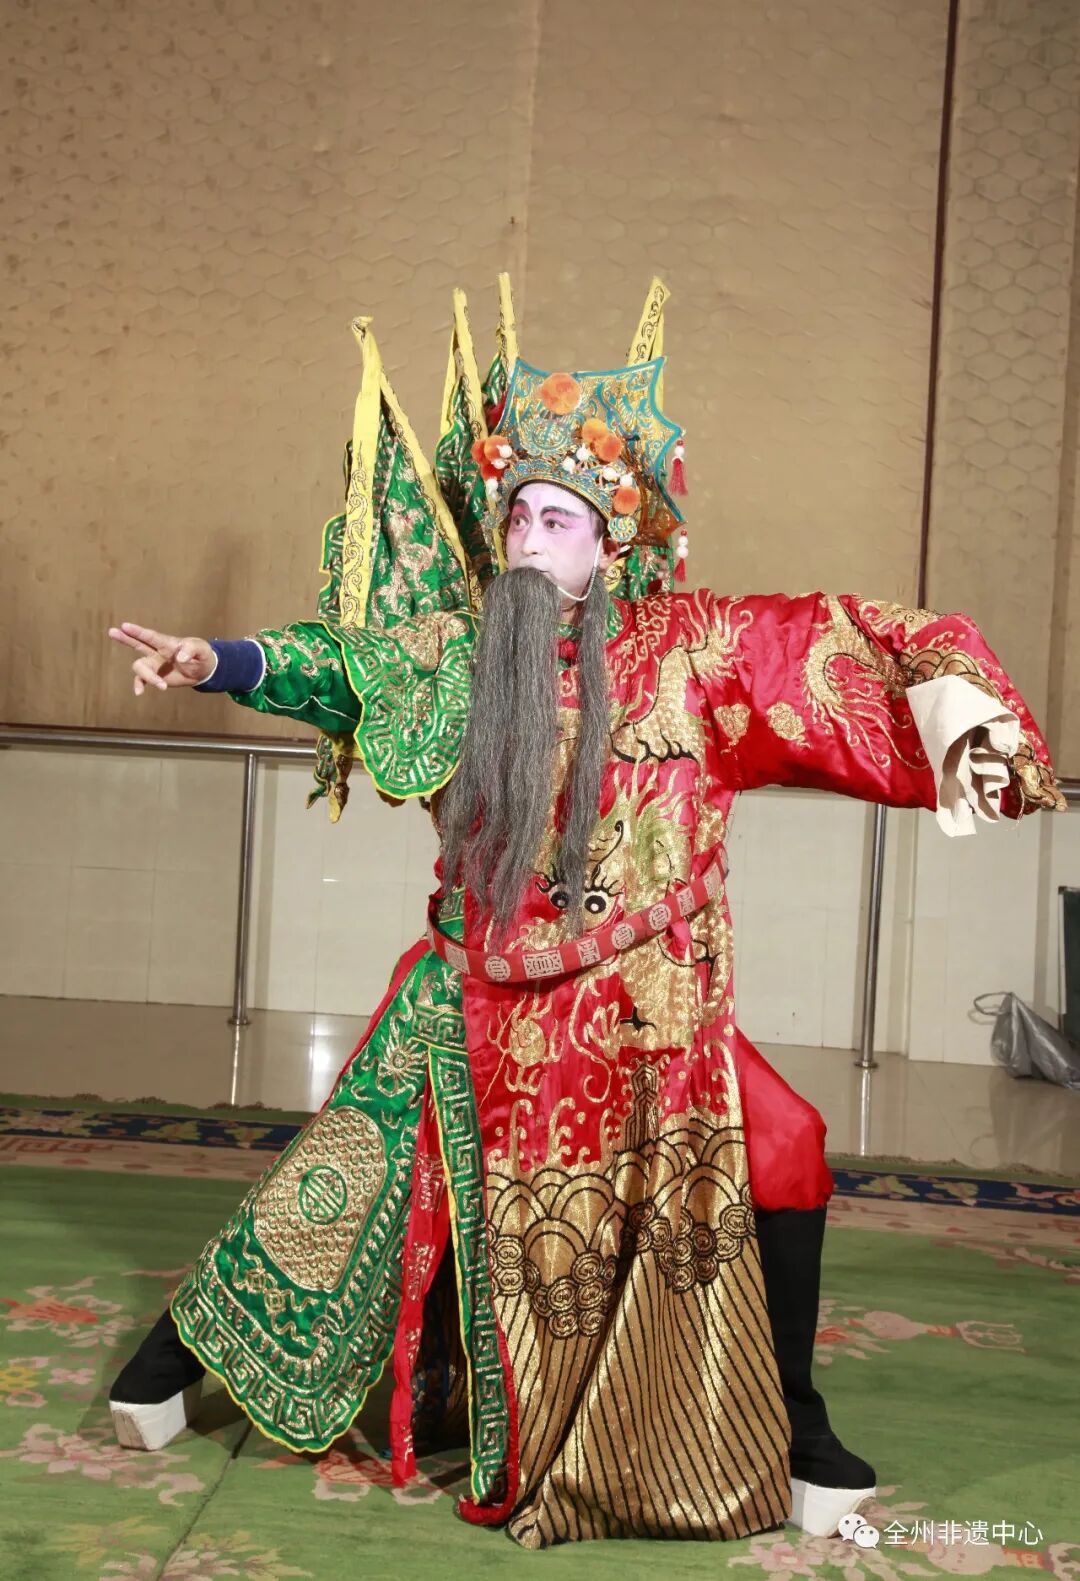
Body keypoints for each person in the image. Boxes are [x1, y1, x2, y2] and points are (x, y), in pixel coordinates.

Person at [105, 278, 1065, 1548]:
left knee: (787, 1141)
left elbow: (833, 639)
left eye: (556, 521)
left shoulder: (693, 648)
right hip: (479, 996)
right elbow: (349, 665)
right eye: (517, 518)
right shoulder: (461, 653)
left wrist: (958, 710)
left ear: (608, 547)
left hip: (642, 1009)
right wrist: (216, 661)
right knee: (348, 1176)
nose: (527, 541)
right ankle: (174, 1357)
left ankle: (791, 1415)